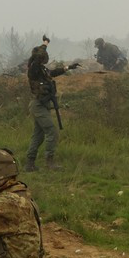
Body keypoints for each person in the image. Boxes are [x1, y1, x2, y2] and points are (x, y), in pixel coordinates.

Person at [24, 38, 80, 172]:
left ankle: (29, 164)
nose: (45, 58)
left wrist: (69, 67)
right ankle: (50, 162)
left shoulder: (41, 69)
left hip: (43, 104)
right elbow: (38, 55)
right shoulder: (34, 69)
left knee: (39, 135)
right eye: (43, 57)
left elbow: (52, 73)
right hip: (38, 104)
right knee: (51, 131)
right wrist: (45, 44)